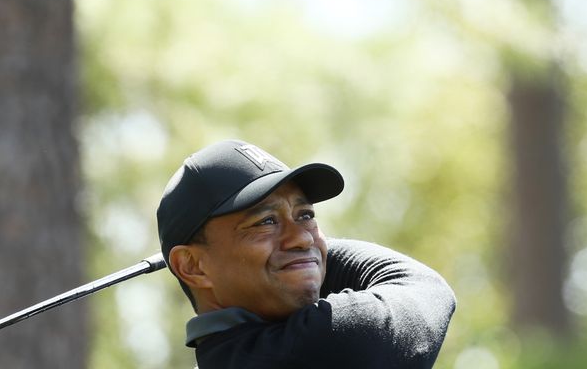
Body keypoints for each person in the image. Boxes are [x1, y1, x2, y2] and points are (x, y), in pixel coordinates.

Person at [156, 139, 456, 368]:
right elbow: (423, 285)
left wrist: (308, 252)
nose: (300, 236)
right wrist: (309, 255)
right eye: (266, 222)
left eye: (305, 215)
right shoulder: (332, 340)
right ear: (193, 266)